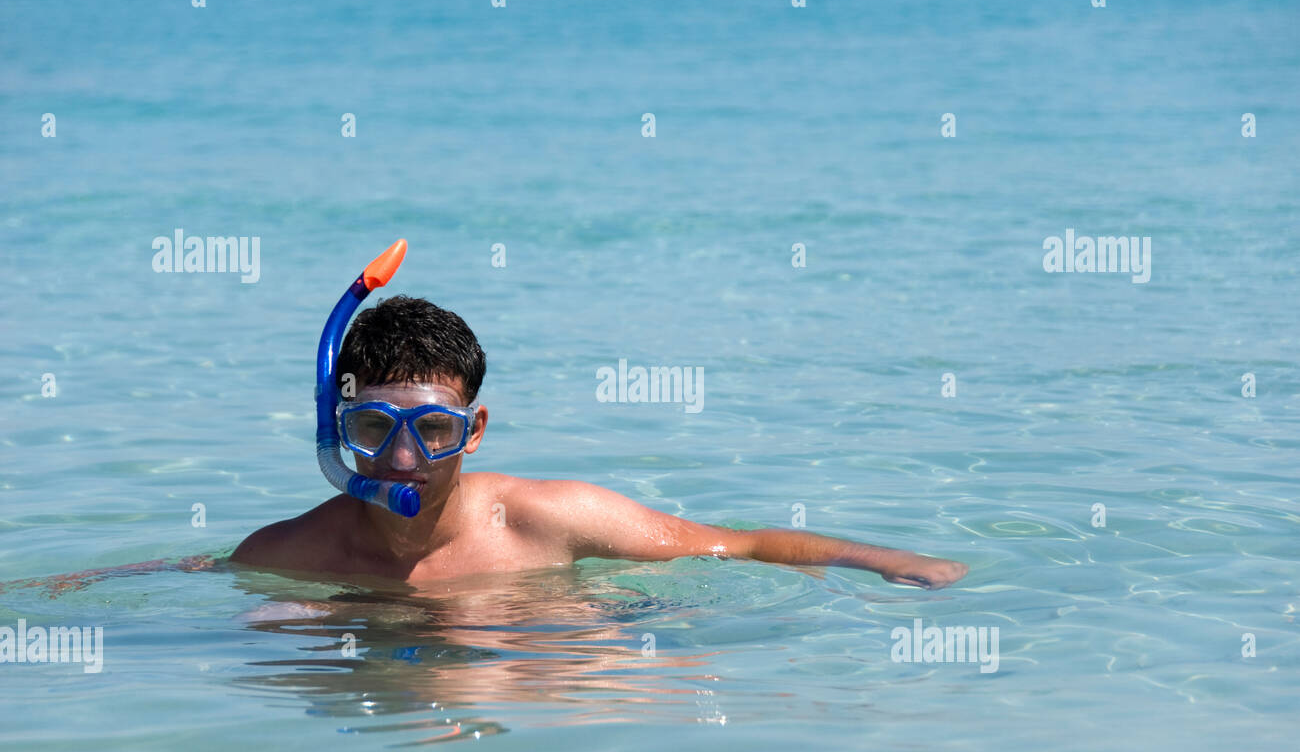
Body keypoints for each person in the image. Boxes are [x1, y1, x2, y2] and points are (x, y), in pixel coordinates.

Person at [232, 296, 969, 590]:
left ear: (474, 432)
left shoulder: (550, 520)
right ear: (341, 432)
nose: (402, 461)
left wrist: (886, 561)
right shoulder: (290, 555)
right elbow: (196, 575)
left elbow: (738, 547)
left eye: (433, 431)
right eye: (372, 430)